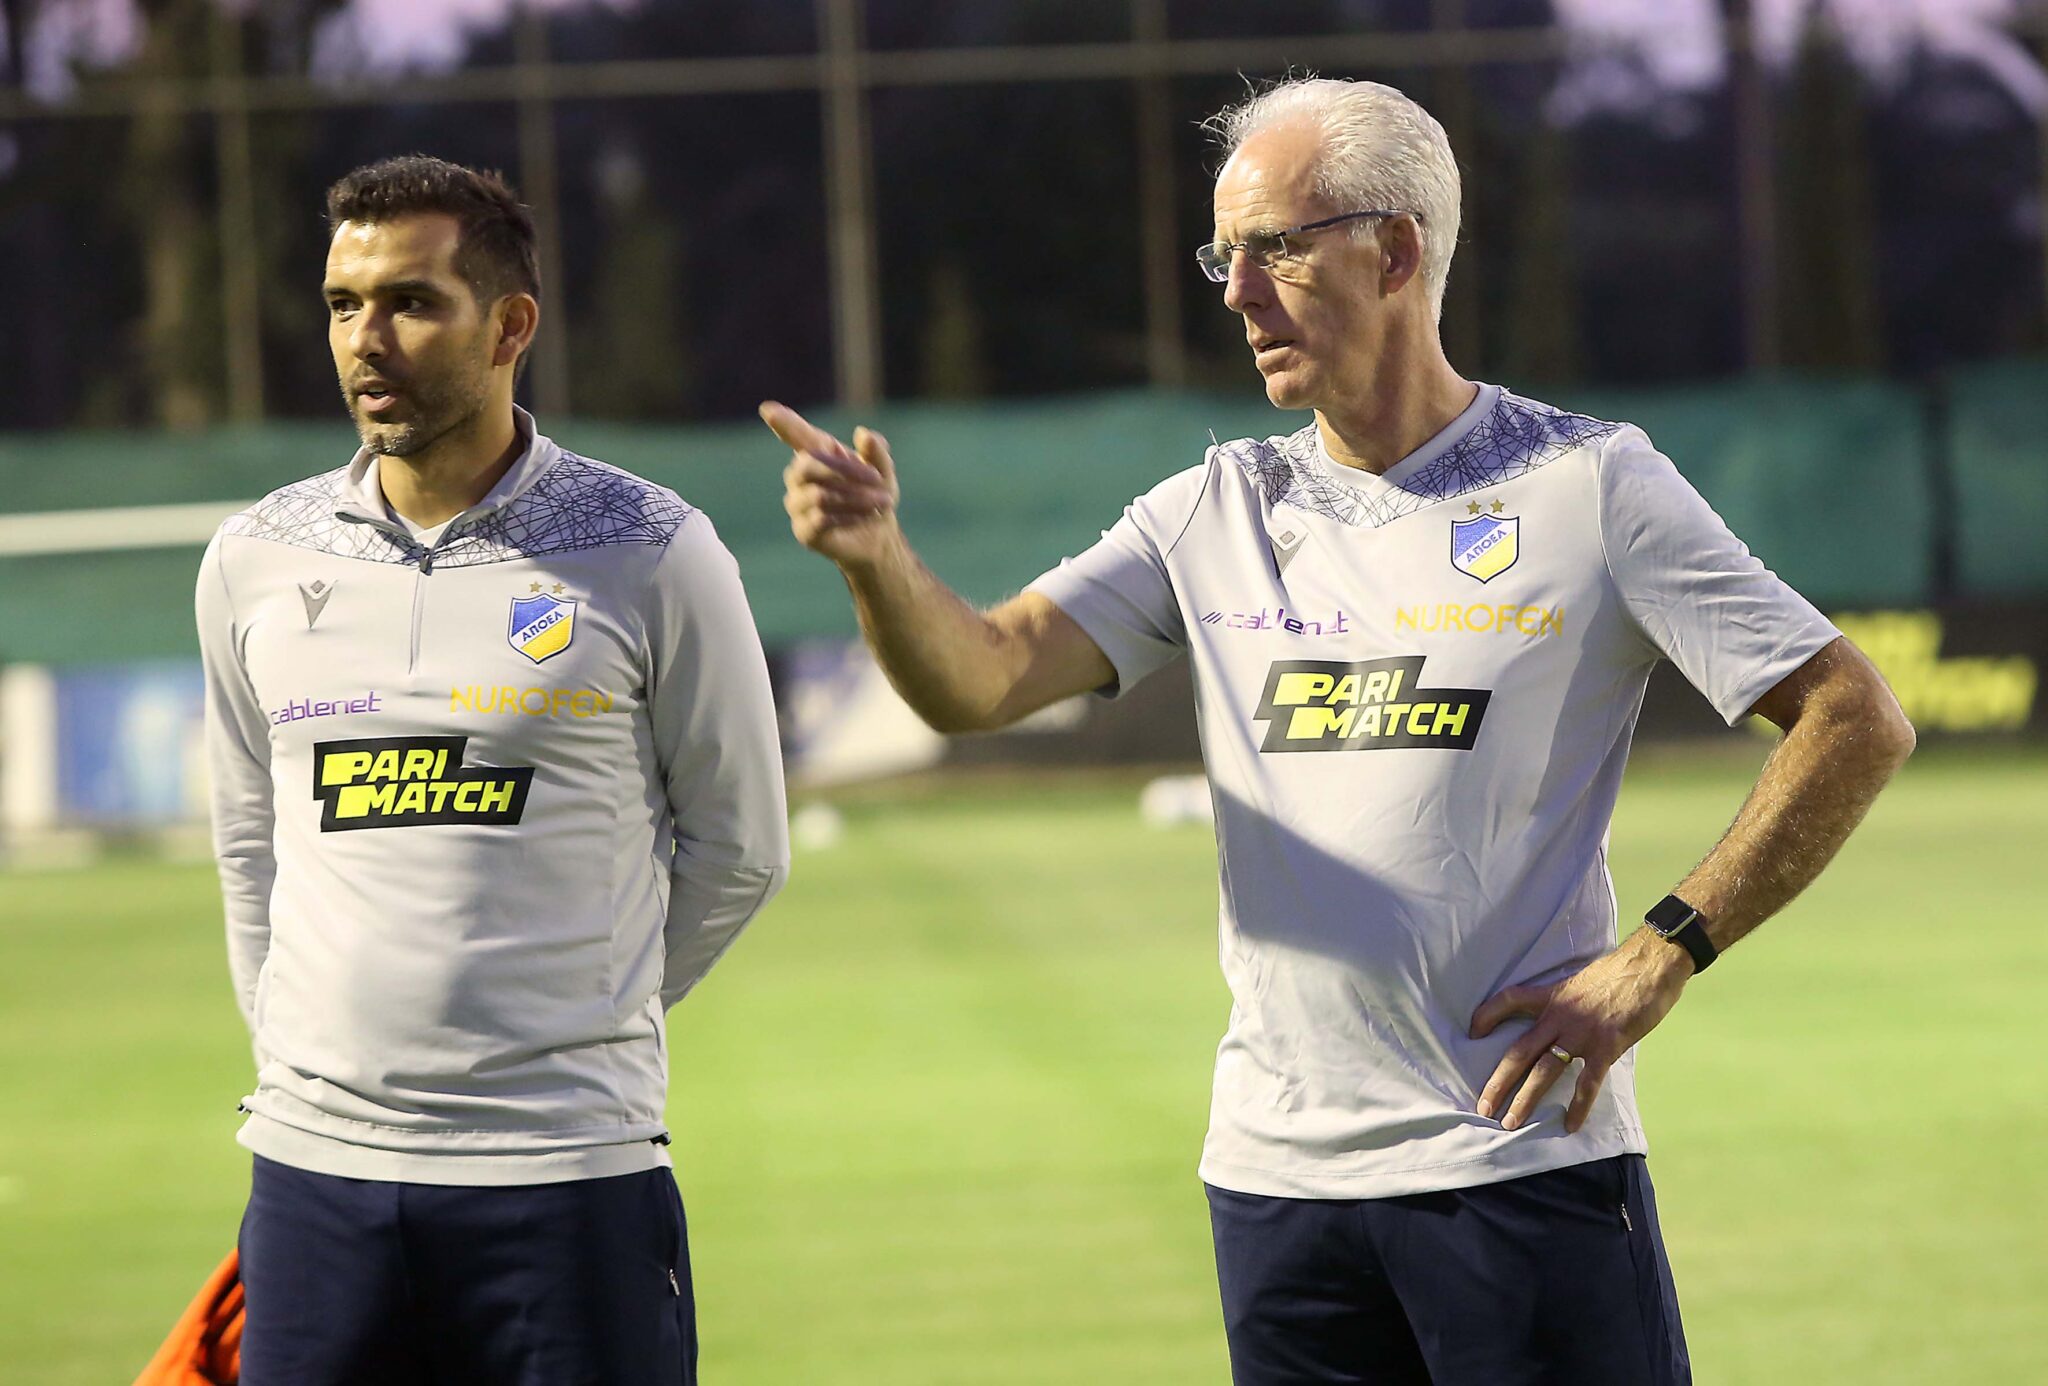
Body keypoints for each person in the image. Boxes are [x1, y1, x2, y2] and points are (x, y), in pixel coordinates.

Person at [760, 78, 1913, 1385]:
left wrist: (1662, 951)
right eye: (1224, 256)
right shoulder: (1212, 506)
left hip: (1514, 1166)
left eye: (1275, 247)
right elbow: (980, 679)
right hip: (1277, 1190)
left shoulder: (1590, 483)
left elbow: (1851, 716)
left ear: (1398, 250)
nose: (1238, 293)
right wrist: (875, 561)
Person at [197, 155, 788, 1384]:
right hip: (315, 1181)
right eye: (343, 304)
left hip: (565, 1177)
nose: (367, 340)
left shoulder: (651, 548)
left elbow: (740, 849)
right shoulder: (254, 557)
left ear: (510, 325)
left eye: (411, 302)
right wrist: (306, 1056)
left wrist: (580, 1016)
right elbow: (249, 842)